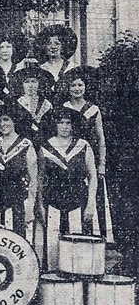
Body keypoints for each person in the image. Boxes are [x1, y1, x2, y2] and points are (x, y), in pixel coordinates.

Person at [57, 67, 113, 243]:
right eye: (73, 85)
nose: (77, 88)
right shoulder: (63, 108)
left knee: (93, 195)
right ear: (68, 88)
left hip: (88, 155)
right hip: (68, 155)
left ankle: (96, 237)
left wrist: (101, 163)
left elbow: (100, 137)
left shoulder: (93, 109)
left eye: (80, 85)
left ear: (86, 87)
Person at [39, 108, 97, 271]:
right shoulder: (46, 146)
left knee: (79, 246)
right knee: (52, 245)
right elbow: (41, 178)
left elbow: (92, 176)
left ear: (73, 125)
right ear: (55, 125)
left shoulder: (83, 145)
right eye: (60, 123)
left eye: (68, 123)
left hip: (78, 200)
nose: (64, 126)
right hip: (53, 200)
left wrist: (91, 203)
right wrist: (40, 204)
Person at [0, 105, 37, 242]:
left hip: (18, 202)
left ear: (14, 122)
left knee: (16, 242)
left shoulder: (25, 145)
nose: (2, 124)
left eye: (6, 120)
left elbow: (33, 179)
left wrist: (30, 207)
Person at [10, 66, 56, 147]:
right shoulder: (16, 104)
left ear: (39, 84)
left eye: (34, 81)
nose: (30, 85)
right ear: (22, 84)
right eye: (27, 82)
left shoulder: (46, 104)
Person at [37, 24, 78, 91]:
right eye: (49, 43)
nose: (53, 47)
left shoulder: (73, 67)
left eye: (57, 43)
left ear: (63, 46)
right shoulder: (41, 69)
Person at [0, 33, 27, 99]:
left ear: (14, 49)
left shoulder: (19, 68)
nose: (5, 51)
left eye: (8, 47)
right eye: (1, 47)